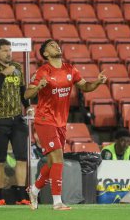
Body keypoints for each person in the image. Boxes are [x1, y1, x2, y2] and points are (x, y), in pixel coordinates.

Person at [25, 39, 107, 210]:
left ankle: (34, 189)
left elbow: (85, 86)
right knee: (58, 158)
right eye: (51, 45)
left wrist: (98, 82)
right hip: (45, 120)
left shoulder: (70, 69)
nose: (56, 46)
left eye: (56, 44)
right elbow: (26, 94)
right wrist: (38, 86)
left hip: (60, 122)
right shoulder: (42, 71)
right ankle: (57, 202)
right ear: (45, 54)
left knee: (51, 162)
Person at [0, 38, 33, 205]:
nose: (8, 53)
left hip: (17, 119)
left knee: (21, 157)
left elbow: (22, 92)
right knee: (0, 160)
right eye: (4, 50)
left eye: (10, 50)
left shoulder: (18, 68)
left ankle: (21, 195)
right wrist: (4, 74)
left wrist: (28, 107)